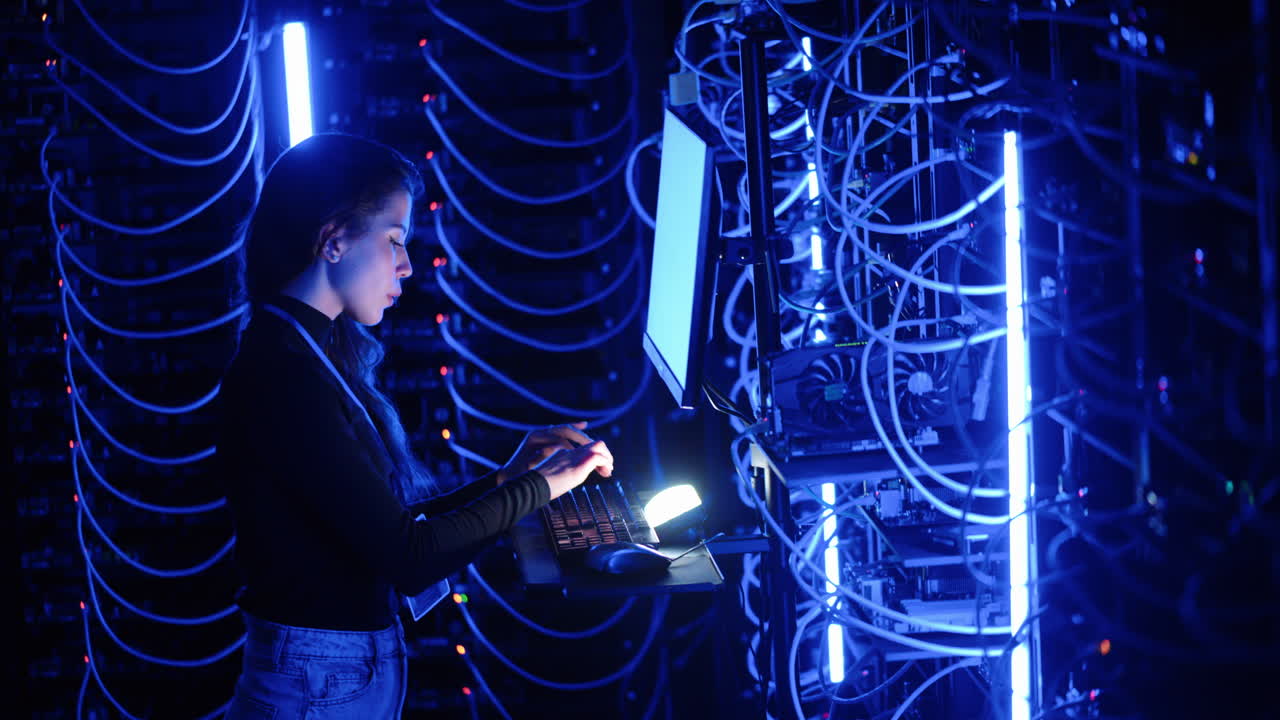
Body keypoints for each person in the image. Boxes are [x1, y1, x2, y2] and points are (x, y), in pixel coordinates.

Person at [215, 133, 614, 718]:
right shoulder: (284, 375)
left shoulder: (305, 353)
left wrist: (508, 479)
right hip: (314, 688)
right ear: (333, 241)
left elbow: (388, 530)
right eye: (395, 240)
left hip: (324, 679)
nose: (406, 265)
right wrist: (546, 484)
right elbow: (410, 556)